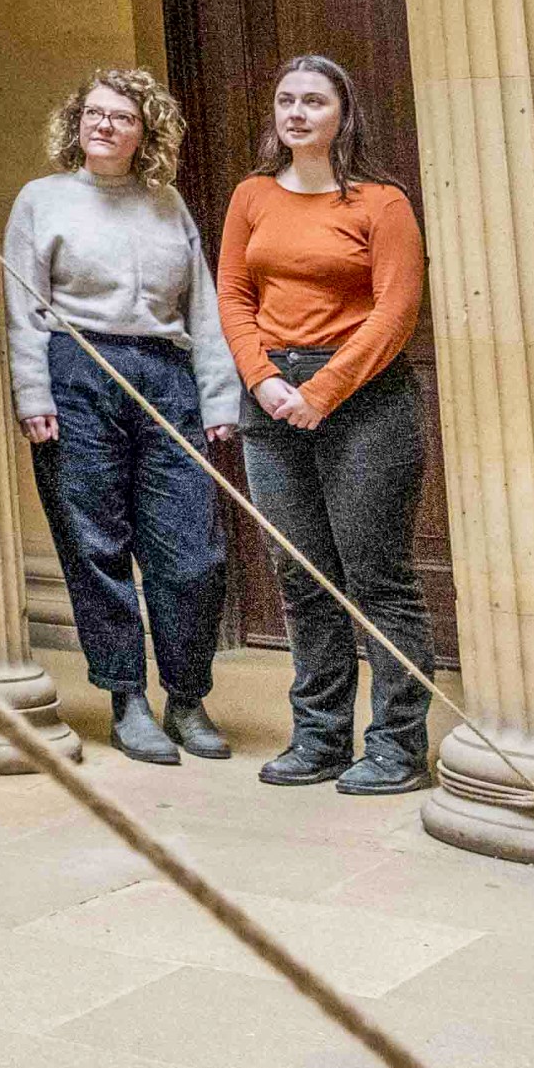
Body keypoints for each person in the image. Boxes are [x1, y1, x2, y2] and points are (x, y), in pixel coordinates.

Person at [4, 67, 239, 766]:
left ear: (147, 134)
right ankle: (126, 697)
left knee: (192, 551)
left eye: (121, 117)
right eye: (93, 113)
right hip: (76, 370)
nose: (103, 124)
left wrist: (219, 399)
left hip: (166, 376)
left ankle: (188, 698)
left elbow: (205, 306)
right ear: (76, 123)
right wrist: (33, 393)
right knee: (94, 543)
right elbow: (23, 308)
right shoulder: (41, 200)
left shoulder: (167, 205)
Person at [217, 52, 436, 795]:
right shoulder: (250, 195)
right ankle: (318, 737)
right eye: (286, 100)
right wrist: (264, 377)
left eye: (314, 100)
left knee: (376, 576)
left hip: (365, 398)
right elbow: (233, 294)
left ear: (344, 113)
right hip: (270, 395)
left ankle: (398, 746)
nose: (297, 112)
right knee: (302, 577)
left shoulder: (382, 202)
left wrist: (325, 388)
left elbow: (396, 311)